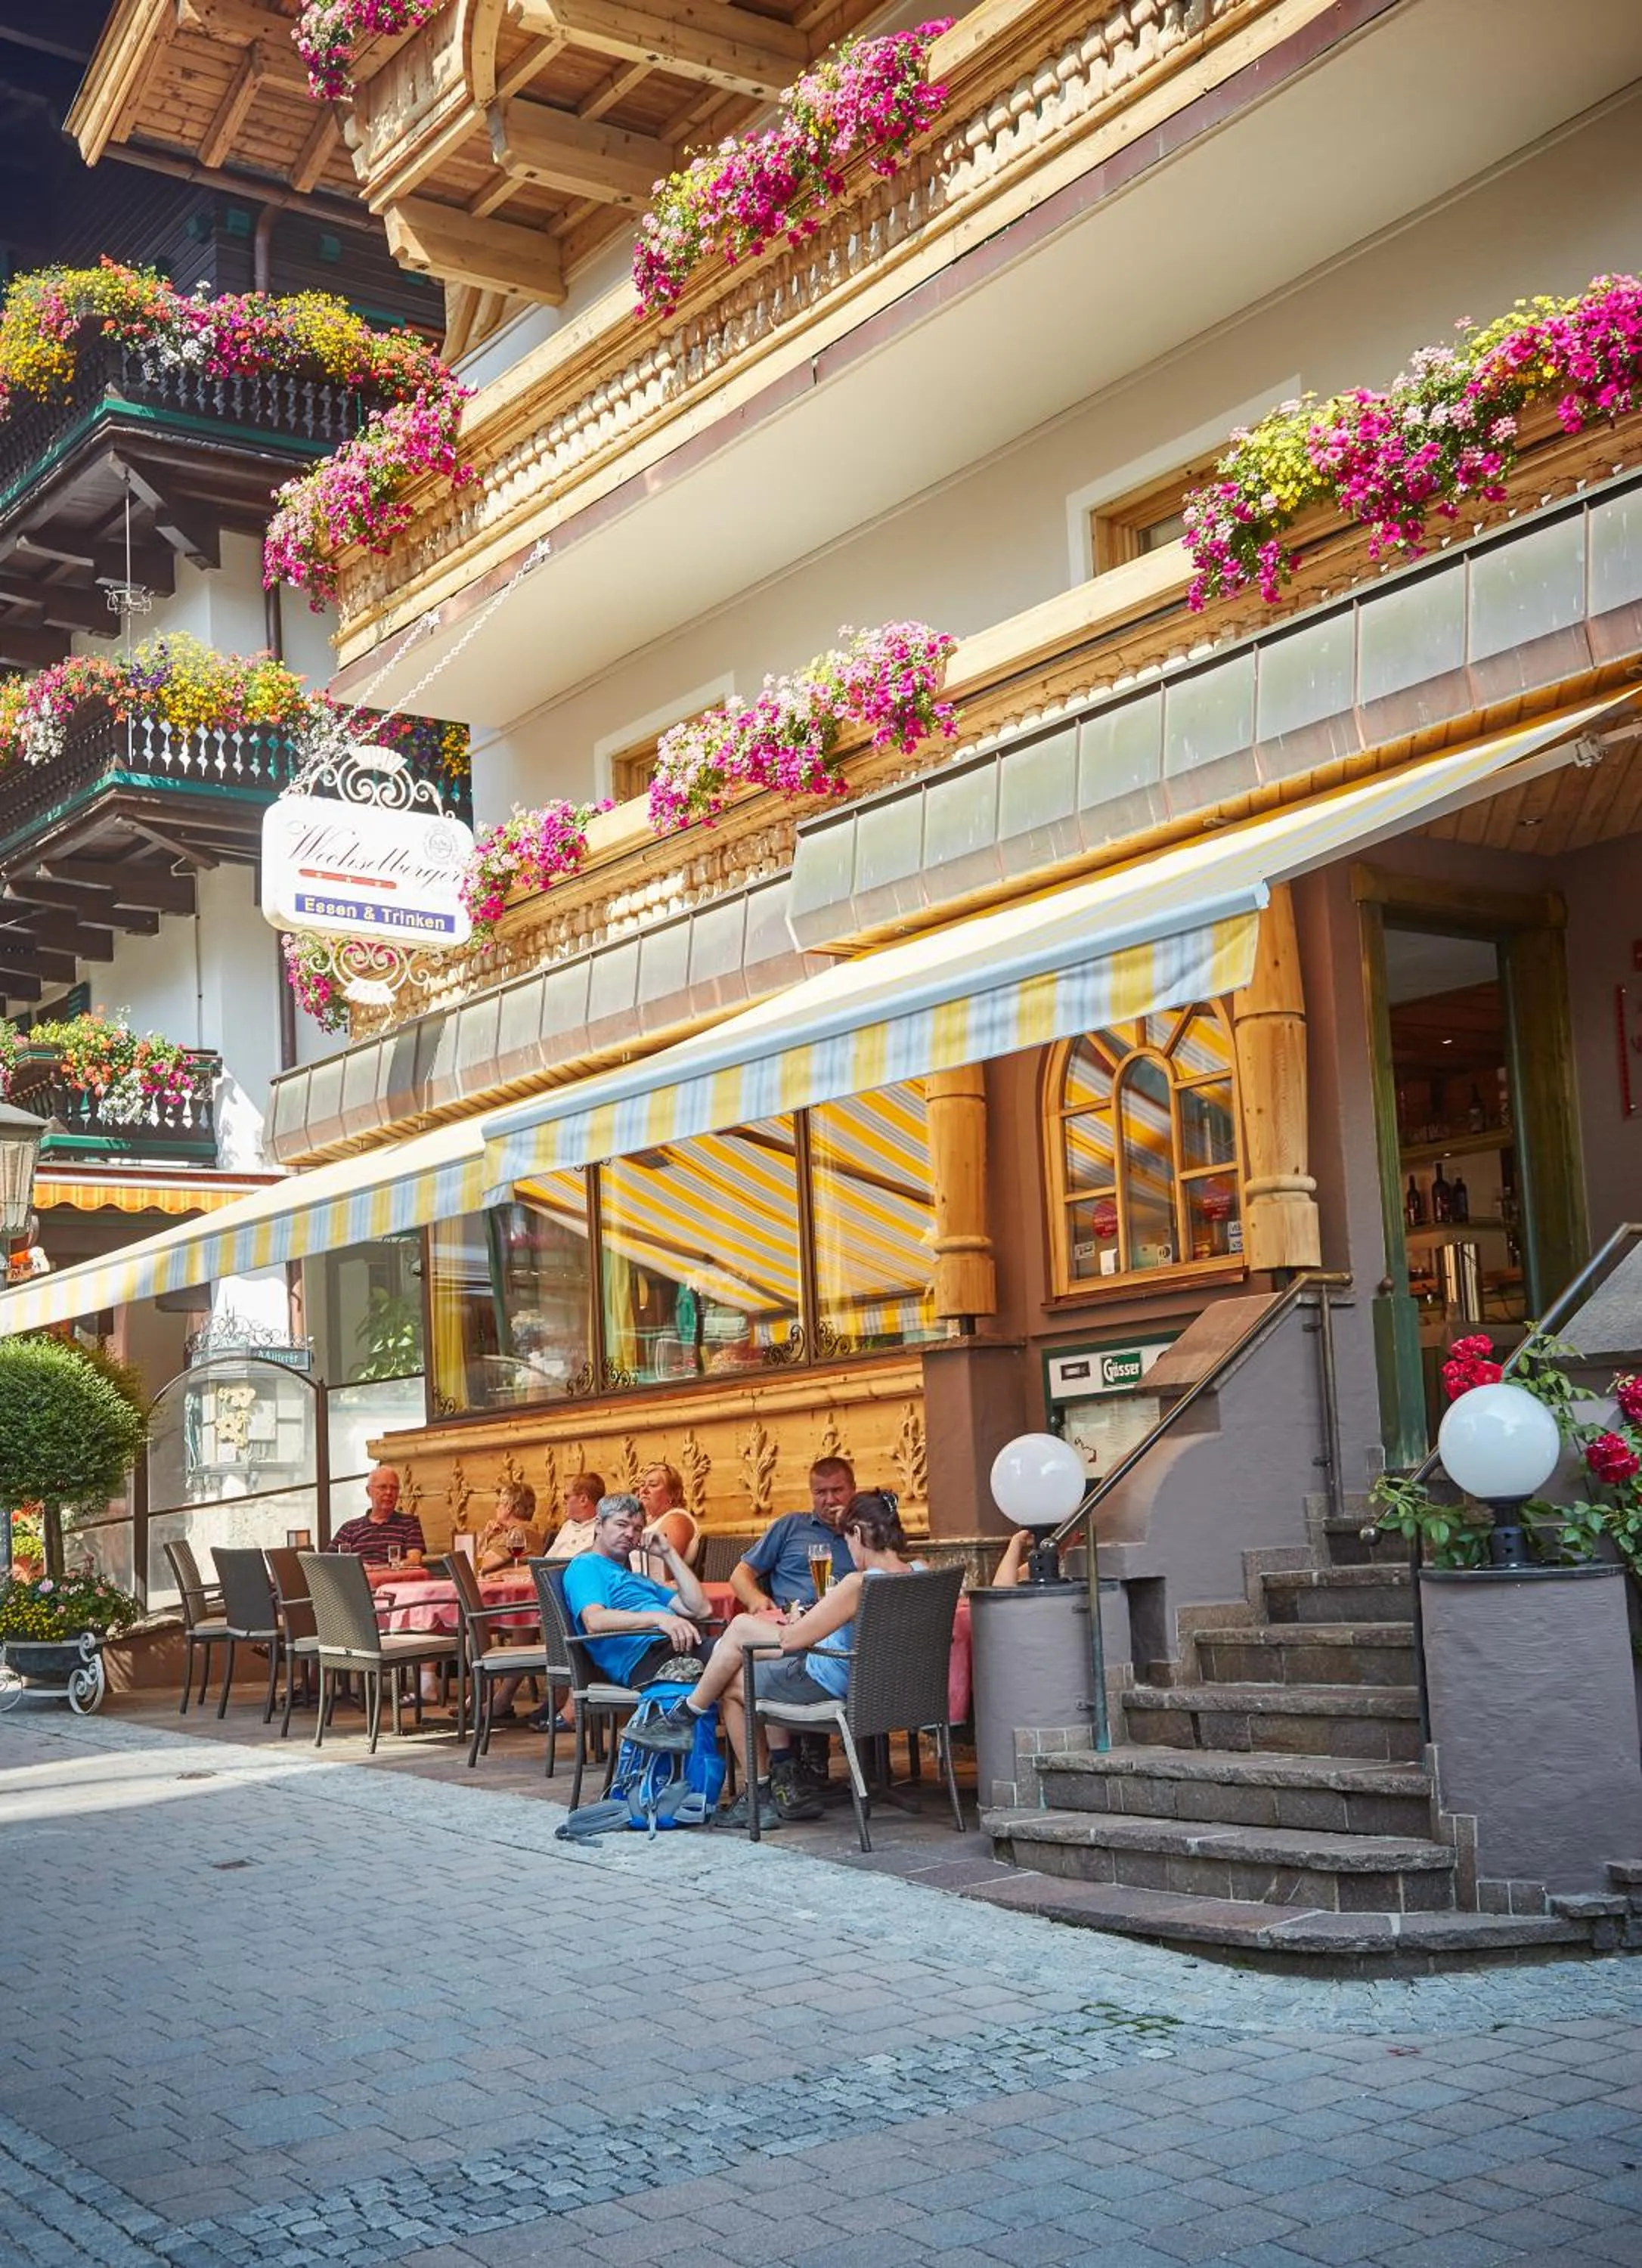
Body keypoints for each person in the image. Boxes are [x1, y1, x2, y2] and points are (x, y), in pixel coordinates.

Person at [633, 1491, 915, 1829]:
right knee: (741, 1655)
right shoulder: (921, 1572)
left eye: (846, 1538)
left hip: (834, 1681)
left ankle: (751, 1789)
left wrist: (799, 1622)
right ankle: (688, 1720)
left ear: (857, 1534)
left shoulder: (857, 1584)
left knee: (735, 1671)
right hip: (890, 1690)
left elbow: (794, 1640)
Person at [561, 1492, 712, 1690]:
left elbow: (701, 1609)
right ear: (599, 1525)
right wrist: (660, 1619)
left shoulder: (638, 1580)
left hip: (678, 1649)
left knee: (739, 1683)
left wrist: (668, 1553)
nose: (631, 1534)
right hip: (647, 1657)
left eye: (638, 1529)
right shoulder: (586, 1565)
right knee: (742, 1641)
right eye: (622, 1525)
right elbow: (595, 1621)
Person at [730, 1456, 854, 1615]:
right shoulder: (791, 1526)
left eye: (837, 1490)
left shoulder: (866, 1533)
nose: (830, 1500)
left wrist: (851, 1526)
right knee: (741, 1625)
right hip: (791, 1621)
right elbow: (740, 1574)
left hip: (846, 1623)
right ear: (812, 1494)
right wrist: (755, 1599)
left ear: (853, 1489)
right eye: (820, 1492)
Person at [327, 1465, 426, 1566]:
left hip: (394, 1580)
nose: (389, 1492)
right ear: (368, 1491)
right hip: (357, 1580)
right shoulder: (349, 1529)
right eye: (383, 1487)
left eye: (394, 1488)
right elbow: (326, 1563)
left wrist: (378, 1569)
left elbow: (414, 1561)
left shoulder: (410, 1523)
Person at [636, 1462, 700, 1569]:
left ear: (674, 1494)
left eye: (653, 1485)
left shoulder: (677, 1519)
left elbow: (664, 1570)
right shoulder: (646, 1520)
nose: (644, 1490)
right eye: (642, 1485)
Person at [476, 1480, 542, 1573]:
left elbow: (479, 1565)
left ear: (509, 1507)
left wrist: (485, 1536)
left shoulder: (519, 1532)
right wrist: (489, 1536)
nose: (496, 1508)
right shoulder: (525, 1530)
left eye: (498, 1504)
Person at [545, 1470, 605, 1560]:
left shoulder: (603, 1530)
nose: (563, 1502)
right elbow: (544, 1562)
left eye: (566, 1497)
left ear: (583, 1500)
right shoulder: (567, 1526)